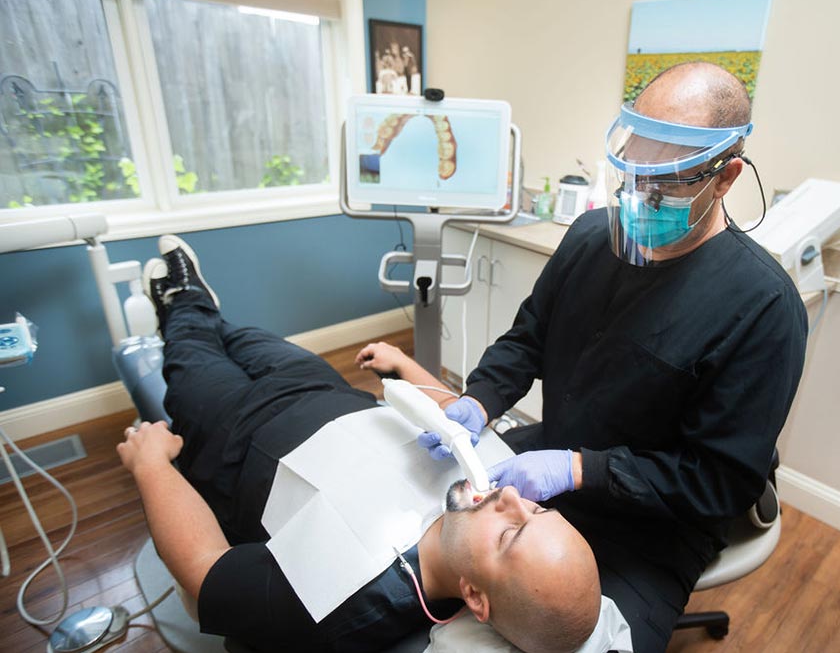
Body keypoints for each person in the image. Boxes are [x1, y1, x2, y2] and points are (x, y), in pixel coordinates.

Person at [370, 62, 809, 652]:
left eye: (664, 182)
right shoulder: (588, 238)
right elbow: (527, 338)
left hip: (652, 529)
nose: (638, 200)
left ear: (725, 178)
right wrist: (479, 401)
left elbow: (717, 483)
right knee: (396, 550)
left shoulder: (764, 308)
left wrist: (577, 470)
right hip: (548, 464)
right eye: (632, 176)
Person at [117, 235, 602, 653]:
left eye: (511, 533)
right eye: (537, 511)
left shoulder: (347, 602)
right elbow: (455, 419)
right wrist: (406, 368)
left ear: (475, 596)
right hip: (321, 387)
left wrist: (152, 466)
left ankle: (182, 298)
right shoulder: (493, 490)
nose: (511, 498)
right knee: (242, 335)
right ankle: (204, 307)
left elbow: (206, 577)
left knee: (188, 342)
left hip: (232, 433)